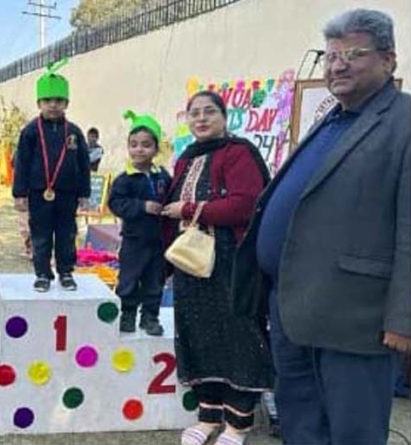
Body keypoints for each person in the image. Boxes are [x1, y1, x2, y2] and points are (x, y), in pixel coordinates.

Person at [233, 9, 411, 445]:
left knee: (353, 431)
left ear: (388, 60)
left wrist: (405, 317)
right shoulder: (332, 117)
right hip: (293, 307)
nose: (338, 65)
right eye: (330, 55)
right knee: (300, 424)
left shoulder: (405, 123)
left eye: (353, 53)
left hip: (357, 317)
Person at [161, 91, 273, 445]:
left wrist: (191, 209)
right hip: (191, 267)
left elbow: (246, 205)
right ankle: (208, 417)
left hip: (231, 262)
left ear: (225, 116)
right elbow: (170, 207)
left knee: (238, 337)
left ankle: (237, 424)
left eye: (210, 112)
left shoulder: (238, 153)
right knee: (199, 337)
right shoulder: (185, 159)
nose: (201, 119)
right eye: (194, 113)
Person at [12, 58, 90, 292]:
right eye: (47, 100)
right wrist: (19, 193)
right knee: (41, 234)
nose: (53, 105)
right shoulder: (30, 131)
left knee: (67, 234)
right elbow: (22, 162)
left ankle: (66, 272)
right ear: (39, 103)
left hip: (68, 194)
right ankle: (43, 274)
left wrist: (84, 193)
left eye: (58, 100)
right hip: (38, 192)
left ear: (66, 102)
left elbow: (84, 163)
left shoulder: (74, 132)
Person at [108, 110, 171, 336]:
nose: (139, 149)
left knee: (155, 281)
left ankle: (150, 317)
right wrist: (141, 207)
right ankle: (127, 316)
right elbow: (115, 203)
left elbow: (172, 196)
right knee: (129, 280)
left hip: (158, 241)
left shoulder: (162, 176)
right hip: (134, 241)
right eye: (133, 144)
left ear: (156, 149)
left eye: (145, 144)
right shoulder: (125, 179)